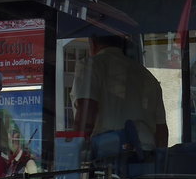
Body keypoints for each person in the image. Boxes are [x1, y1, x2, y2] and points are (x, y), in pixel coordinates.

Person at [72, 35, 168, 163]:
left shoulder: (90, 66)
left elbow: (87, 112)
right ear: (122, 45)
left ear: (92, 43)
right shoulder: (147, 76)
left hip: (108, 158)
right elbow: (161, 131)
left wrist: (74, 155)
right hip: (147, 161)